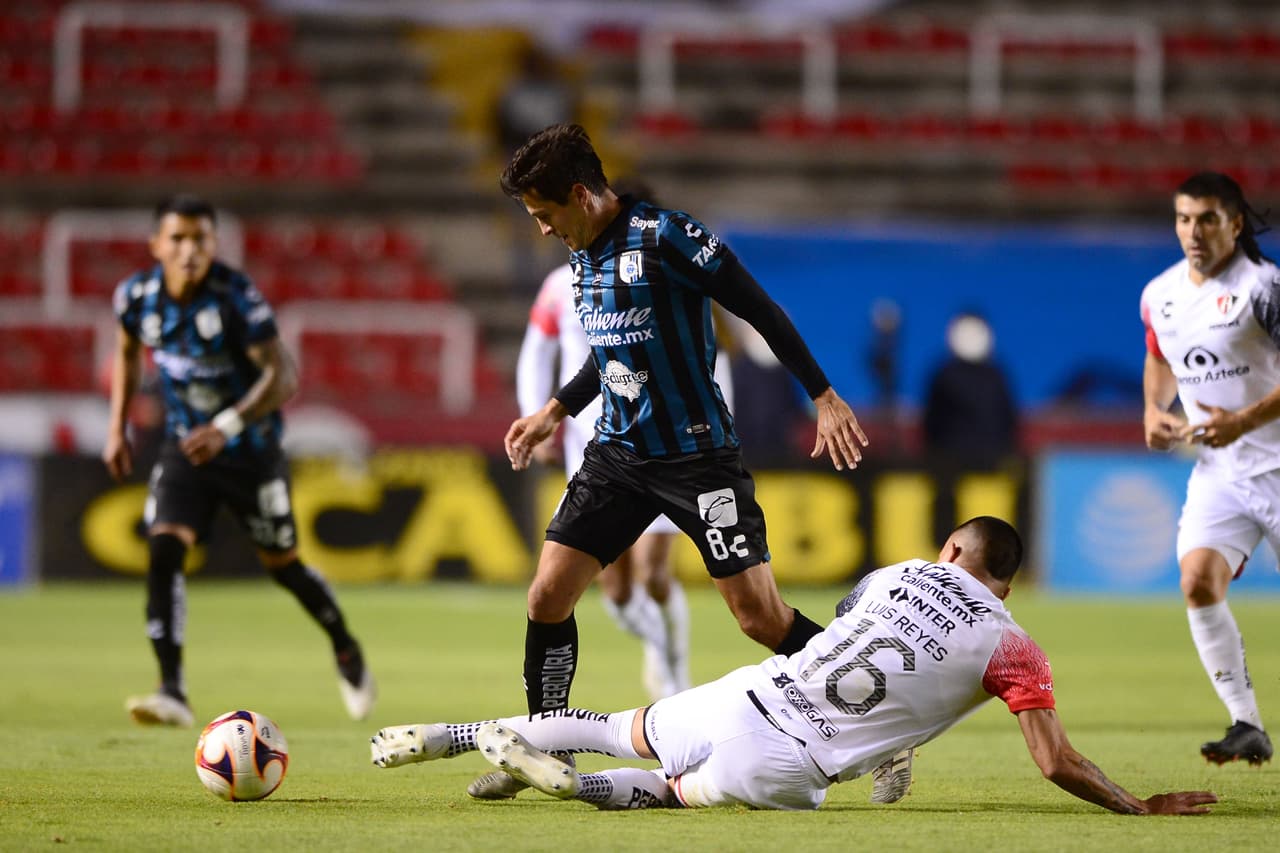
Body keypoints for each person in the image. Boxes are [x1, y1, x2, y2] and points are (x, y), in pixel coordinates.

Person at [489, 122, 868, 800]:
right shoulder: (580, 253)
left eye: (546, 215)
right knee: (547, 594)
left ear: (579, 194)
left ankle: (874, 713)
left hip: (698, 459)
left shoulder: (667, 236)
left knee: (761, 618)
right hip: (618, 455)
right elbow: (610, 351)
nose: (543, 231)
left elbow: (761, 310)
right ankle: (538, 747)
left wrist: (823, 395)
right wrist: (555, 408)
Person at [369, 517, 1217, 816]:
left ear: (950, 548)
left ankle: (458, 731)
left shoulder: (894, 574)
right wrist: (1134, 803)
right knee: (671, 794)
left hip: (755, 689)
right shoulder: (1015, 645)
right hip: (792, 759)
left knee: (608, 725)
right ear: (1004, 580)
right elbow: (1053, 758)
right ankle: (576, 788)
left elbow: (843, 637)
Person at [102, 194, 375, 727]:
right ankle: (172, 689)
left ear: (214, 244)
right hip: (186, 449)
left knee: (284, 568)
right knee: (162, 548)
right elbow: (128, 353)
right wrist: (117, 427)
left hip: (251, 453)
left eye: (199, 239)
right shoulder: (136, 297)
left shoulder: (234, 297)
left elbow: (284, 377)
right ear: (156, 244)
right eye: (176, 239)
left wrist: (225, 426)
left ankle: (346, 647)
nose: (188, 251)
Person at [516, 177, 736, 708]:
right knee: (613, 592)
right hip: (596, 446)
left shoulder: (667, 267)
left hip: (673, 443)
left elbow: (717, 357)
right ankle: (661, 651)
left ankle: (673, 665)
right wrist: (541, 414)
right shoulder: (563, 281)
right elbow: (536, 353)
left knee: (658, 575)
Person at [1140, 171, 1278, 766]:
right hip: (1220, 471)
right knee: (1196, 579)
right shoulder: (1159, 293)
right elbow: (1160, 355)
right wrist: (1153, 409)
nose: (1193, 232)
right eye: (1183, 219)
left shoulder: (1264, 288)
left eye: (1207, 220)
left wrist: (1244, 419)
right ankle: (1246, 722)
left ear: (1235, 223)